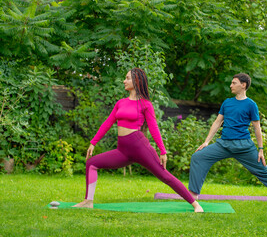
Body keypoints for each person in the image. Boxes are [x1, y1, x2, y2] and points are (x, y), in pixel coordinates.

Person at [73, 68, 204, 212]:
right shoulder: (121, 103)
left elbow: (154, 128)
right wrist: (93, 142)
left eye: (127, 78)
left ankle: (195, 204)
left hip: (140, 147)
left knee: (164, 176)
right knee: (91, 164)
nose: (124, 81)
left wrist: (163, 151)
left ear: (136, 81)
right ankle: (88, 201)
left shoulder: (145, 104)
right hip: (122, 151)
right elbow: (107, 123)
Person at [188, 73, 267, 204]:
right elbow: (217, 122)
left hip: (244, 146)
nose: (231, 85)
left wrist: (261, 149)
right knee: (198, 156)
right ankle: (193, 194)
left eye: (234, 83)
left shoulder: (251, 104)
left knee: (262, 169)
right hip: (223, 144)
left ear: (243, 85)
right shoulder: (227, 103)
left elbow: (257, 128)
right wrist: (206, 142)